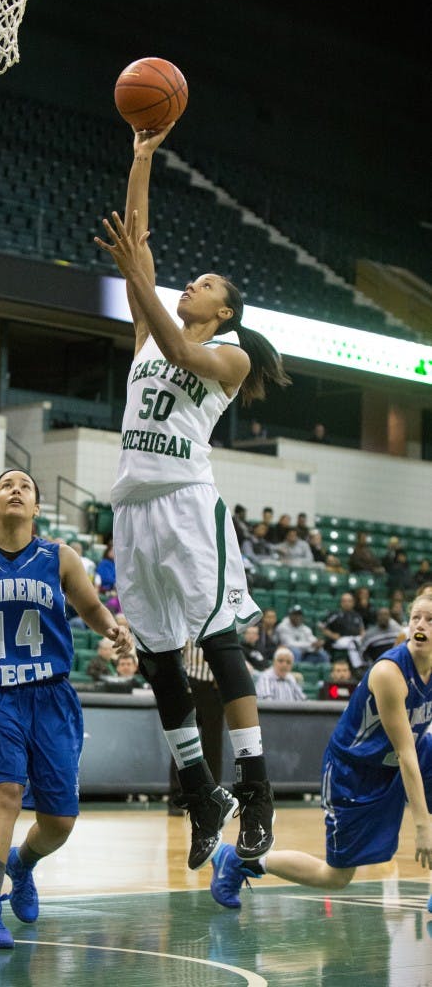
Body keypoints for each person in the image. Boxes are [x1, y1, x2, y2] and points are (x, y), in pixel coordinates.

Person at [94, 123, 290, 871]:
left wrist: (138, 281)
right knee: (158, 663)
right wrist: (143, 153)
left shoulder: (228, 356)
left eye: (205, 285)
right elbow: (137, 237)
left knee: (218, 643)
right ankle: (202, 792)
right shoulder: (148, 330)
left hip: (185, 503)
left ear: (225, 311)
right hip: (133, 509)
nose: (190, 285)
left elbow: (181, 350)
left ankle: (257, 787)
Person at [0, 468, 132, 949]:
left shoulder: (60, 558)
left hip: (51, 694)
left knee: (60, 821)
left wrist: (113, 629)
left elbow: (90, 607)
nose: (15, 490)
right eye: (6, 486)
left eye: (25, 487)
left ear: (37, 508)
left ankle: (23, 863)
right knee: (4, 796)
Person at [210, 593, 432, 911]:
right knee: (337, 876)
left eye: (430, 619)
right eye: (416, 618)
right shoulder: (390, 673)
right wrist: (423, 827)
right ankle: (237, 859)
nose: (421, 625)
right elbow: (405, 751)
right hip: (355, 770)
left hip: (399, 758)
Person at [168, 639, 225, 815]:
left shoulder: (222, 617)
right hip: (190, 682)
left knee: (213, 747)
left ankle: (211, 799)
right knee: (183, 742)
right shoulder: (185, 619)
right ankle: (177, 798)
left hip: (215, 687)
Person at [321, 592, 365, 670]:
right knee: (352, 643)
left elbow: (362, 629)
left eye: (349, 601)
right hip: (340, 640)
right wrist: (332, 635)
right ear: (341, 603)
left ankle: (367, 663)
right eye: (344, 601)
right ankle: (358, 667)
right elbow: (321, 626)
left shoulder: (357, 616)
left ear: (353, 603)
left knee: (360, 642)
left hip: (356, 638)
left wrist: (363, 637)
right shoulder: (335, 614)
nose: (347, 603)